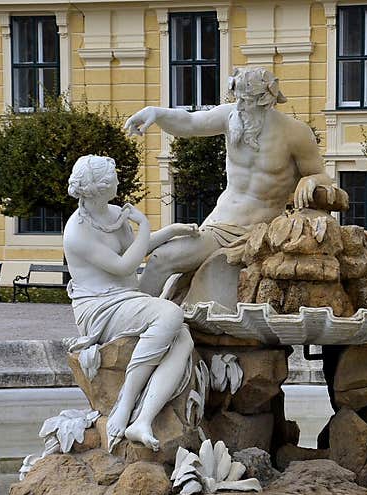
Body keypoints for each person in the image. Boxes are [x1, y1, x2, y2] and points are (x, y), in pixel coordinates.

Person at [123, 66, 341, 304]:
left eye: (245, 101)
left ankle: (138, 323)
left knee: (169, 265)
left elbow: (321, 174)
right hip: (218, 225)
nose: (239, 106)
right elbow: (190, 123)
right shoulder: (231, 117)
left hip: (256, 231)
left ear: (265, 99)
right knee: (162, 262)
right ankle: (131, 321)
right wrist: (156, 113)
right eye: (236, 99)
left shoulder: (295, 133)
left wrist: (311, 180)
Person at [63, 155, 199, 452]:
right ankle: (125, 405)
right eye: (112, 179)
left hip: (126, 298)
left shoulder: (113, 213)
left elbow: (135, 249)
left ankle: (143, 419)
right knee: (171, 314)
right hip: (101, 307)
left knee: (183, 336)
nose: (118, 181)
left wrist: (171, 231)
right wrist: (146, 225)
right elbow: (125, 265)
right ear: (98, 188)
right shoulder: (77, 232)